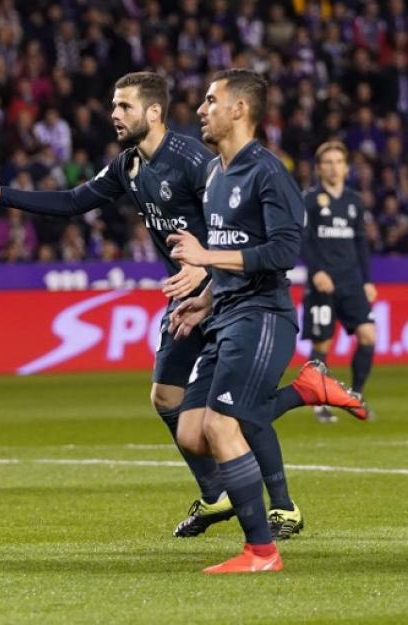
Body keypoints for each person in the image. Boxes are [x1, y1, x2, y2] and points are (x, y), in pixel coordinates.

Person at [0, 71, 358, 540]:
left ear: (153, 112)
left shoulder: (194, 160)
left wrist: (207, 271)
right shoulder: (128, 166)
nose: (114, 115)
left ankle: (282, 505)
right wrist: (1, 195)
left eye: (124, 107)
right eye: (113, 106)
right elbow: (72, 201)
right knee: (168, 398)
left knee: (234, 410)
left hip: (228, 291)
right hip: (188, 295)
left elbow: (233, 224)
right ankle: (216, 494)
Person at [167, 69, 367, 574]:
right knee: (192, 432)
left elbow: (282, 251)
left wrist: (206, 258)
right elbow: (235, 246)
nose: (200, 109)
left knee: (222, 423)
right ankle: (306, 389)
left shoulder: (268, 172)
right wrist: (206, 299)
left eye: (211, 100)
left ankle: (261, 551)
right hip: (225, 313)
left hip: (262, 315)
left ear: (239, 109)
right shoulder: (214, 173)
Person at [301, 141, 377, 422]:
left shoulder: (354, 201)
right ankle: (319, 402)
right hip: (322, 283)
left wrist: (367, 280)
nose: (334, 167)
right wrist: (316, 271)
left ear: (346, 168)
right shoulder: (308, 199)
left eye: (338, 162)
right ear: (319, 168)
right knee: (322, 344)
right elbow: (302, 240)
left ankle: (354, 396)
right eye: (328, 162)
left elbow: (360, 244)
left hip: (350, 282)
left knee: (369, 335)